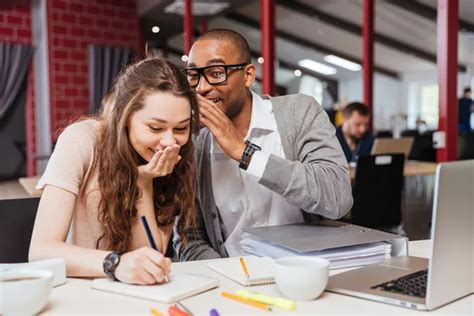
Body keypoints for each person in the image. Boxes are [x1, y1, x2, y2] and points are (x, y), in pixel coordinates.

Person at [173, 29, 353, 260]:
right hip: (234, 280)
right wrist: (228, 275)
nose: (201, 88)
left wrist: (245, 153)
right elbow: (189, 237)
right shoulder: (194, 141)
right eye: (193, 75)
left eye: (217, 73)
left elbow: (338, 199)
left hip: (305, 272)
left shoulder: (299, 113)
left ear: (248, 75)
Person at [29, 57, 200, 285]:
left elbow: (148, 258)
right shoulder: (83, 139)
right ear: (126, 117)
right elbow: (41, 251)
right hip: (78, 292)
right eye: (155, 128)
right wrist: (115, 264)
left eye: (181, 128)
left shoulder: (175, 159)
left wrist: (143, 182)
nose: (170, 141)